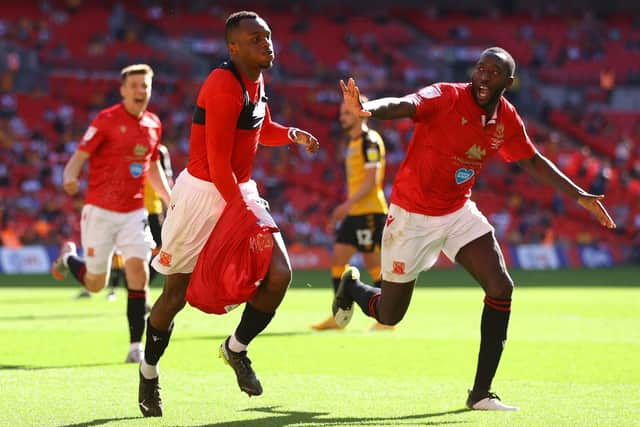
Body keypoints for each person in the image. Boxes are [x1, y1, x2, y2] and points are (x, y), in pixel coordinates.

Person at [333, 47, 616, 411]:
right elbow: (405, 104)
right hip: (412, 216)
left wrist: (579, 195)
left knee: (501, 287)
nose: (483, 76)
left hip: (456, 211)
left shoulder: (507, 119)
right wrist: (369, 108)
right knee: (389, 314)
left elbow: (530, 159)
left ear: (507, 82)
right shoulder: (446, 95)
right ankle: (353, 287)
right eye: (481, 69)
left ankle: (480, 393)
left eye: (493, 72)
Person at [137, 11, 319, 418]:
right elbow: (218, 164)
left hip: (239, 190)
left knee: (280, 274)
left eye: (268, 36)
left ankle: (235, 349)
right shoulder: (222, 83)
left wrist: (290, 133)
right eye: (256, 39)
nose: (267, 44)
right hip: (204, 194)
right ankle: (148, 373)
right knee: (175, 295)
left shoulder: (256, 79)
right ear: (233, 47)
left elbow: (261, 127)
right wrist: (241, 214)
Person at [50, 63, 171, 364]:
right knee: (96, 284)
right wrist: (70, 175)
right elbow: (80, 156)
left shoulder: (154, 125)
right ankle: (68, 258)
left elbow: (153, 166)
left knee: (138, 274)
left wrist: (171, 199)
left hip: (134, 212)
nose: (140, 91)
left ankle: (135, 347)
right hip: (100, 212)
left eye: (145, 86)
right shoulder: (105, 120)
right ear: (123, 90)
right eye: (134, 86)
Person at [311, 98, 392, 331]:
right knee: (337, 260)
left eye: (346, 113)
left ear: (360, 114)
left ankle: (386, 318)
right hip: (356, 212)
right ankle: (339, 317)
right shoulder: (354, 143)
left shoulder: (369, 142)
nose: (342, 117)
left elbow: (372, 180)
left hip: (369, 212)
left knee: (373, 263)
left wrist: (346, 205)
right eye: (342, 113)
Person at [143, 143, 174, 284]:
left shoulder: (160, 151)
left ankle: (143, 284)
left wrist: (169, 208)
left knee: (161, 249)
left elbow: (168, 181)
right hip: (137, 209)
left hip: (153, 210)